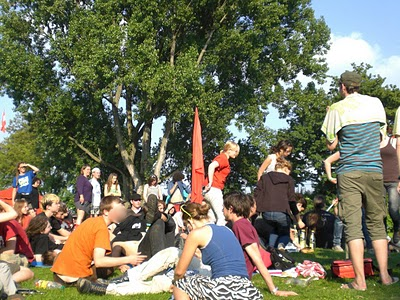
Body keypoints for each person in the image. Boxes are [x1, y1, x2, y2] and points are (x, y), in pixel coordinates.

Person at [321, 70, 397, 290]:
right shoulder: (376, 104)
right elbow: (380, 136)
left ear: (342, 87)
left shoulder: (337, 108)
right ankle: (385, 277)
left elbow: (331, 145)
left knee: (353, 225)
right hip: (374, 170)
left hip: (349, 172)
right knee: (377, 224)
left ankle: (359, 281)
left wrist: (330, 116)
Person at [172, 202, 263, 300]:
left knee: (180, 284)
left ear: (190, 221)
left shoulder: (196, 234)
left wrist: (175, 283)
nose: (187, 229)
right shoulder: (227, 230)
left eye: (187, 225)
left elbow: (179, 272)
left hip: (224, 290)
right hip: (249, 291)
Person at [51, 196, 146, 285]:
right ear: (106, 212)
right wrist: (129, 259)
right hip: (76, 278)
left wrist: (120, 263)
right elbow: (99, 261)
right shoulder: (101, 229)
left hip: (58, 276)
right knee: (108, 268)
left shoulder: (90, 221)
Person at [223, 192, 297, 297]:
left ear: (230, 209)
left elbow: (256, 258)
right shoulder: (243, 224)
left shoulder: (240, 226)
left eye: (224, 208)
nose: (222, 211)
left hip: (235, 280)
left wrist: (274, 290)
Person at [254, 158, 304, 248]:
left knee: (274, 229)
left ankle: (271, 247)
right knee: (285, 233)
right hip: (282, 213)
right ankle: (281, 246)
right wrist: (298, 220)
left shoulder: (264, 178)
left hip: (266, 213)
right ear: (286, 169)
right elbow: (292, 201)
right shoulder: (289, 180)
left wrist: (256, 212)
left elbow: (257, 195)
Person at [204, 141, 240, 225]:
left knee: (211, 218)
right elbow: (211, 166)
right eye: (235, 151)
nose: (236, 154)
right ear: (229, 150)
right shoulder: (223, 158)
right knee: (222, 217)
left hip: (209, 191)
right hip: (214, 189)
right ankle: (220, 236)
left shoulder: (221, 157)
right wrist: (211, 181)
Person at [380, 132, 400, 244]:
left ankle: (397, 229)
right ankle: (384, 236)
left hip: (394, 180)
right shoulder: (372, 143)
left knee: (393, 209)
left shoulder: (393, 141)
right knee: (380, 211)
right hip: (378, 181)